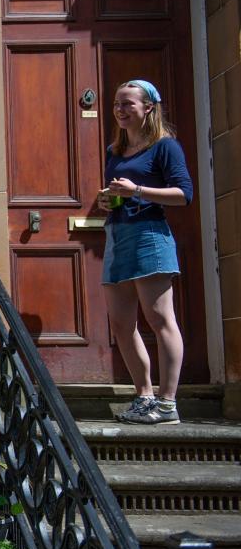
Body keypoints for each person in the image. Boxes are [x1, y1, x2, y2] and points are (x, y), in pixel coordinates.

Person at [97, 79, 192, 425]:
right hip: (117, 236)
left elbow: (183, 194)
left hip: (150, 234)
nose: (120, 110)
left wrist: (136, 189)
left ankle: (167, 403)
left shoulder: (165, 147)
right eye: (117, 105)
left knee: (160, 319)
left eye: (128, 104)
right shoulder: (114, 151)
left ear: (148, 108)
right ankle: (144, 396)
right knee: (122, 324)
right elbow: (120, 195)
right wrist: (109, 200)